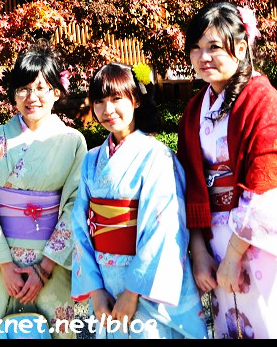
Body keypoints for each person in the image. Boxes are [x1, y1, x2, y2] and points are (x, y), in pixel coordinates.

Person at [71, 62, 209, 339]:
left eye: (116, 98)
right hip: (105, 285)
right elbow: (80, 227)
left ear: (134, 99)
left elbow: (164, 227)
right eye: (99, 101)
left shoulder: (157, 157)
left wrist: (133, 292)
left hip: (146, 293)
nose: (107, 110)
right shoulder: (90, 161)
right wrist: (96, 291)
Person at [0, 41, 88, 339]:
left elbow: (76, 206)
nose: (32, 97)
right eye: (24, 88)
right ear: (14, 94)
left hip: (52, 265)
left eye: (41, 88)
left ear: (56, 92)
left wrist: (44, 268)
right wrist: (4, 264)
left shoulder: (72, 142)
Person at [177, 1, 277, 339]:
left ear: (240, 47)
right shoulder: (195, 109)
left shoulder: (265, 102)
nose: (202, 57)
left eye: (213, 47)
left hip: (257, 246)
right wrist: (199, 252)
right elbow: (189, 185)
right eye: (195, 48)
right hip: (213, 242)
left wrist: (235, 256)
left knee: (269, 324)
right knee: (229, 328)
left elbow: (269, 186)